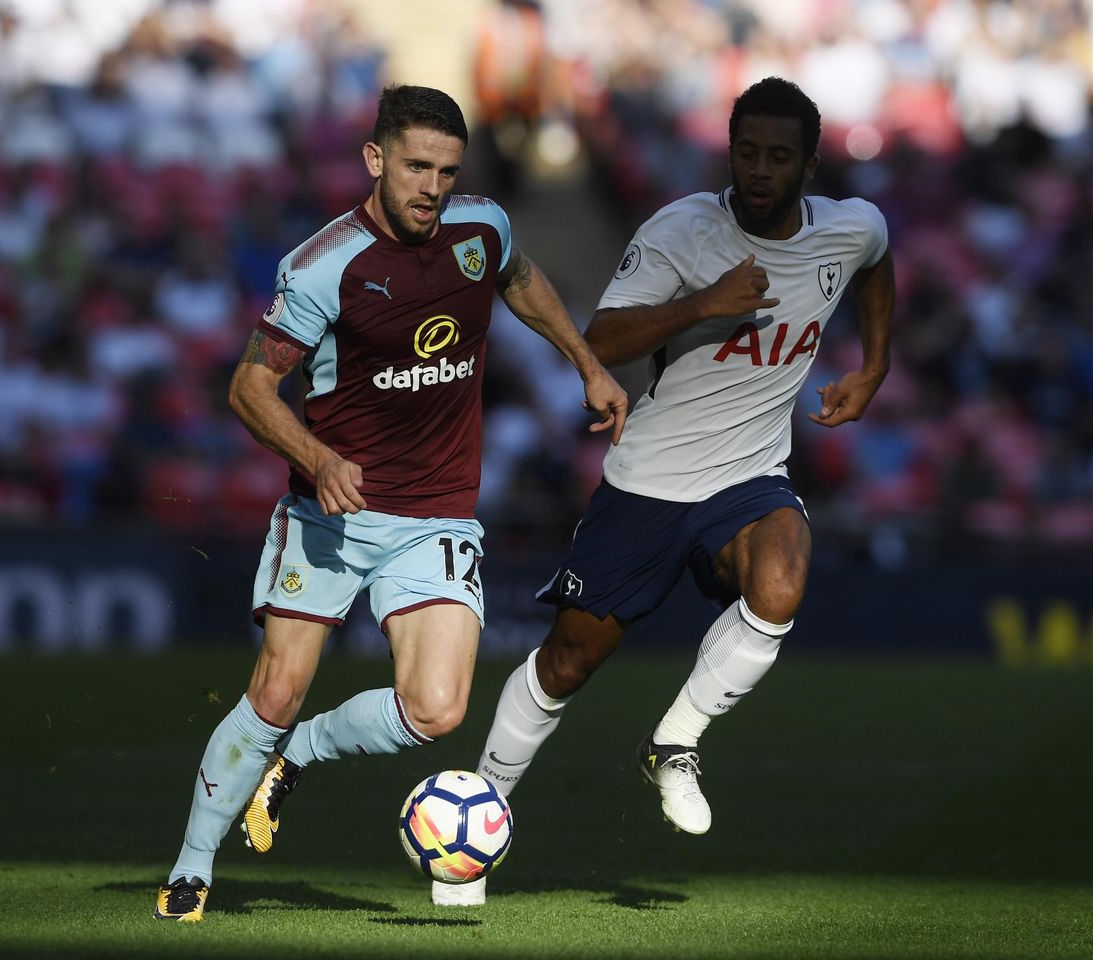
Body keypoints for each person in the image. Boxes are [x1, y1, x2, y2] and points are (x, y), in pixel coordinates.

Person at [154, 84, 627, 921]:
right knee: (274, 692)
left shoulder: (482, 228)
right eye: (416, 166)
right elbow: (249, 386)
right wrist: (316, 454)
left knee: (438, 710)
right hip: (330, 514)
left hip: (437, 513)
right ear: (375, 160)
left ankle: (296, 753)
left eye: (447, 170)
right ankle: (193, 866)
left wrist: (584, 362)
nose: (432, 188)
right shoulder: (324, 264)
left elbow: (520, 279)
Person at [442, 76, 895, 906]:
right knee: (568, 661)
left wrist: (874, 366)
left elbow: (875, 264)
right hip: (648, 484)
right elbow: (604, 338)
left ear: (809, 163)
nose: (760, 170)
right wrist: (704, 304)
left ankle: (676, 741)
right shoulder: (682, 229)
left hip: (748, 477)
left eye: (778, 157)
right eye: (747, 152)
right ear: (729, 152)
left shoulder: (849, 227)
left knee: (785, 576)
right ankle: (479, 817)